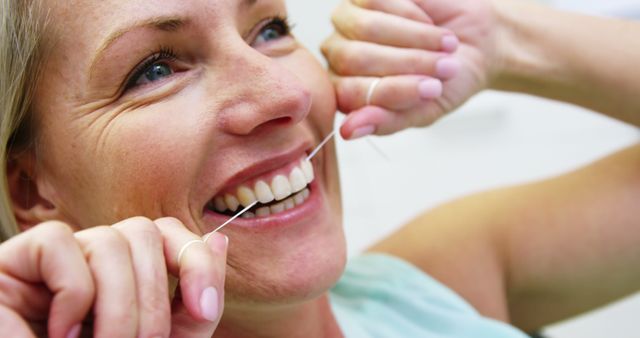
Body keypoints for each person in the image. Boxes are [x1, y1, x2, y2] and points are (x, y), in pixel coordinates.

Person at [0, 1, 637, 338]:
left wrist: (504, 41)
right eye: (157, 69)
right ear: (32, 191)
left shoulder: (429, 285)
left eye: (269, 28)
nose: (286, 94)